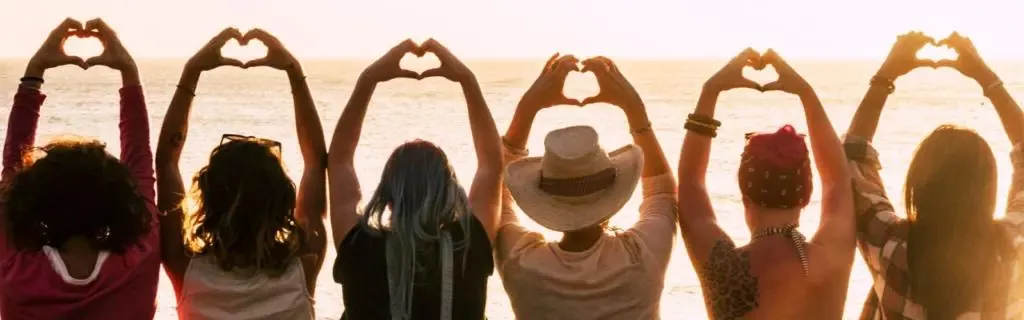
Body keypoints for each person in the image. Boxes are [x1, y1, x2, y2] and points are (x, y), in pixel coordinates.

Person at [846, 31, 1024, 319]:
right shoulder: (1014, 250)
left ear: (917, 186)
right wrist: (987, 79)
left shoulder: (892, 248)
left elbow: (853, 158)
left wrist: (885, 77)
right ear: (988, 188)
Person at [156, 27, 327, 319]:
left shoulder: (187, 269)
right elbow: (315, 164)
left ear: (207, 196)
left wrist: (192, 72)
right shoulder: (302, 263)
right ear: (282, 199)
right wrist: (293, 72)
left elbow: (166, 163)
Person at [328, 39, 502, 320]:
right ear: (448, 191)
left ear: (387, 194)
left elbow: (339, 161)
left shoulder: (360, 244)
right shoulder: (468, 243)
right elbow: (491, 165)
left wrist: (369, 80)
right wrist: (467, 80)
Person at [0, 18, 160, 319]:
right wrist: (129, 71)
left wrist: (35, 71)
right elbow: (140, 160)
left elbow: (12, 167)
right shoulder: (138, 258)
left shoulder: (17, 266)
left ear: (31, 199)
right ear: (120, 202)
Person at [677, 48, 855, 319]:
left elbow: (690, 181)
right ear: (806, 195)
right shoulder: (828, 260)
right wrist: (806, 94)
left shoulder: (724, 266)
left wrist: (710, 90)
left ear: (744, 193)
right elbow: (837, 181)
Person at [496, 54, 677, 319]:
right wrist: (633, 110)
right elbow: (662, 190)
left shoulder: (522, 264)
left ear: (544, 198)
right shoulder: (642, 255)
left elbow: (496, 194)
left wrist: (528, 107)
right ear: (613, 195)